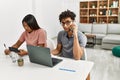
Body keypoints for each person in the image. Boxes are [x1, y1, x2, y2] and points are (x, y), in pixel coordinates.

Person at [51, 10, 90, 80]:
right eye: (63, 23)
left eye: (68, 22)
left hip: (76, 63)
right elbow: (57, 50)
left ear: (73, 22)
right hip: (63, 61)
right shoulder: (60, 34)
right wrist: (47, 53)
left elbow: (77, 57)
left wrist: (75, 34)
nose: (65, 26)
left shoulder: (82, 37)